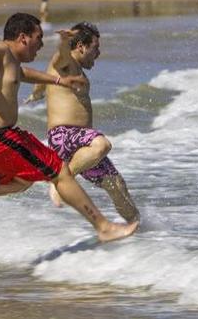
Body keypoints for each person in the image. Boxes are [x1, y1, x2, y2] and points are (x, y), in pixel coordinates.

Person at [0, 12, 139, 242]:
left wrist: (59, 81)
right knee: (60, 171)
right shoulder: (0, 51)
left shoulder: (10, 63)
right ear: (23, 38)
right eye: (38, 38)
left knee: (23, 180)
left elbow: (23, 74)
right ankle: (103, 226)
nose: (40, 45)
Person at [25, 23, 140, 223]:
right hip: (65, 136)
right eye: (95, 48)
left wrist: (37, 94)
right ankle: (60, 181)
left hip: (82, 149)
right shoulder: (67, 64)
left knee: (118, 186)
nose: (99, 53)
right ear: (81, 47)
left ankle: (137, 228)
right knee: (102, 144)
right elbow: (60, 58)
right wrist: (63, 43)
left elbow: (44, 80)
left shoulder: (67, 70)